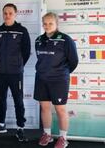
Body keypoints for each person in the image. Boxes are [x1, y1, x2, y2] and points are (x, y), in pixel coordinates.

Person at [34, 12, 78, 148]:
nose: (47, 26)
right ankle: (47, 134)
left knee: (60, 109)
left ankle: (63, 138)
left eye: (50, 23)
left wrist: (61, 73)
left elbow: (74, 61)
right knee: (45, 108)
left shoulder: (65, 40)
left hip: (59, 80)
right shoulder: (39, 40)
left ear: (56, 24)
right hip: (41, 79)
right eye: (45, 23)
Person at [0, 3, 30, 142]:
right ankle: (1, 124)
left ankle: (20, 128)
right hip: (0, 72)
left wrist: (18, 65)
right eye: (5, 13)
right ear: (2, 13)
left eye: (10, 13)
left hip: (15, 73)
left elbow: (26, 51)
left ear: (15, 14)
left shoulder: (22, 30)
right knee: (1, 99)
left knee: (18, 100)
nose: (7, 15)